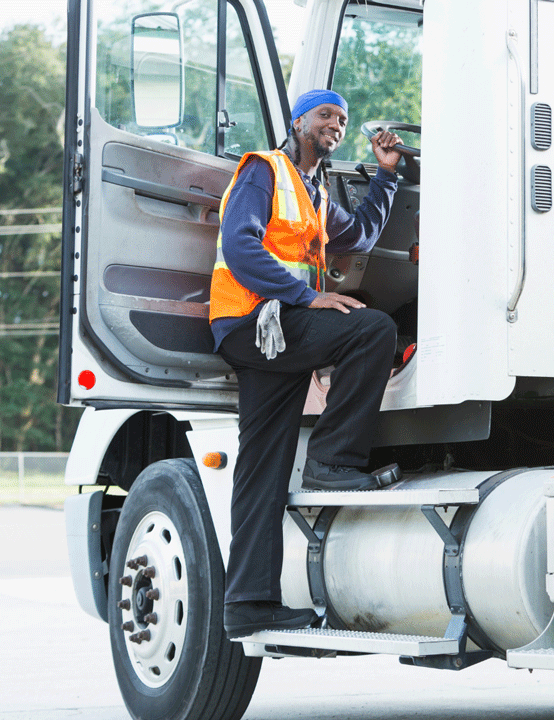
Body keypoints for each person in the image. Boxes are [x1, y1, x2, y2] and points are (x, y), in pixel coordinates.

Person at [210, 89, 404, 638]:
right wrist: (307, 299)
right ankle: (333, 460)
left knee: (262, 468)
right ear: (298, 122)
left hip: (273, 334)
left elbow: (361, 234)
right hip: (254, 322)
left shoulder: (314, 194)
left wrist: (387, 176)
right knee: (372, 329)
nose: (334, 125)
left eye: (341, 120)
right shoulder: (263, 171)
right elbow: (241, 247)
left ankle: (248, 603)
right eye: (324, 115)